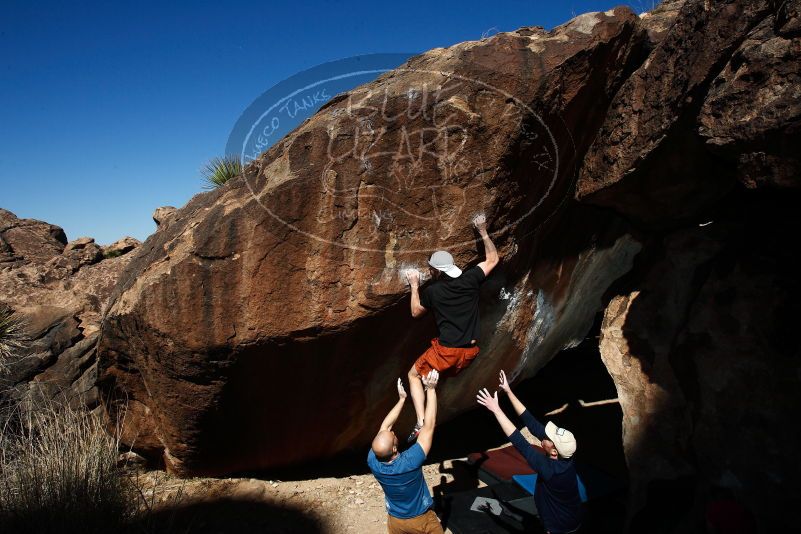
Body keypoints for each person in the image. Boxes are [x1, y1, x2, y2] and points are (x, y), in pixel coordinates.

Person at [404, 213, 499, 442]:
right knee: (434, 378)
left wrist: (414, 285)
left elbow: (416, 312)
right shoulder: (471, 279)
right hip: (469, 353)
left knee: (413, 375)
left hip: (447, 352)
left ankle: (421, 421)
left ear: (436, 271)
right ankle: (432, 398)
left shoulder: (433, 292)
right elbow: (493, 259)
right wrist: (483, 230)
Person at [476, 370, 583, 534]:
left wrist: (496, 410)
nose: (544, 435)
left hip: (560, 528)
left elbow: (520, 442)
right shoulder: (566, 454)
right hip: (571, 517)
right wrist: (508, 390)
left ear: (554, 452)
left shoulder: (550, 470)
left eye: (548, 438)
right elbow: (531, 423)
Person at [368, 371, 443, 534]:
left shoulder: (373, 460)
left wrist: (402, 399)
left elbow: (385, 427)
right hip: (421, 519)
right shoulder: (410, 461)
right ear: (394, 448)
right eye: (393, 436)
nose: (393, 432)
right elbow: (429, 425)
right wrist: (431, 389)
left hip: (395, 521)